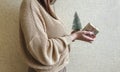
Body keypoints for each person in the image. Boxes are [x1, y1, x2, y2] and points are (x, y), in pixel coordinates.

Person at [19, 0, 96, 72]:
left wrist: (73, 36)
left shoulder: (46, 5)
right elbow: (42, 50)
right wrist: (73, 36)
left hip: (58, 68)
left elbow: (52, 37)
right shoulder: (30, 4)